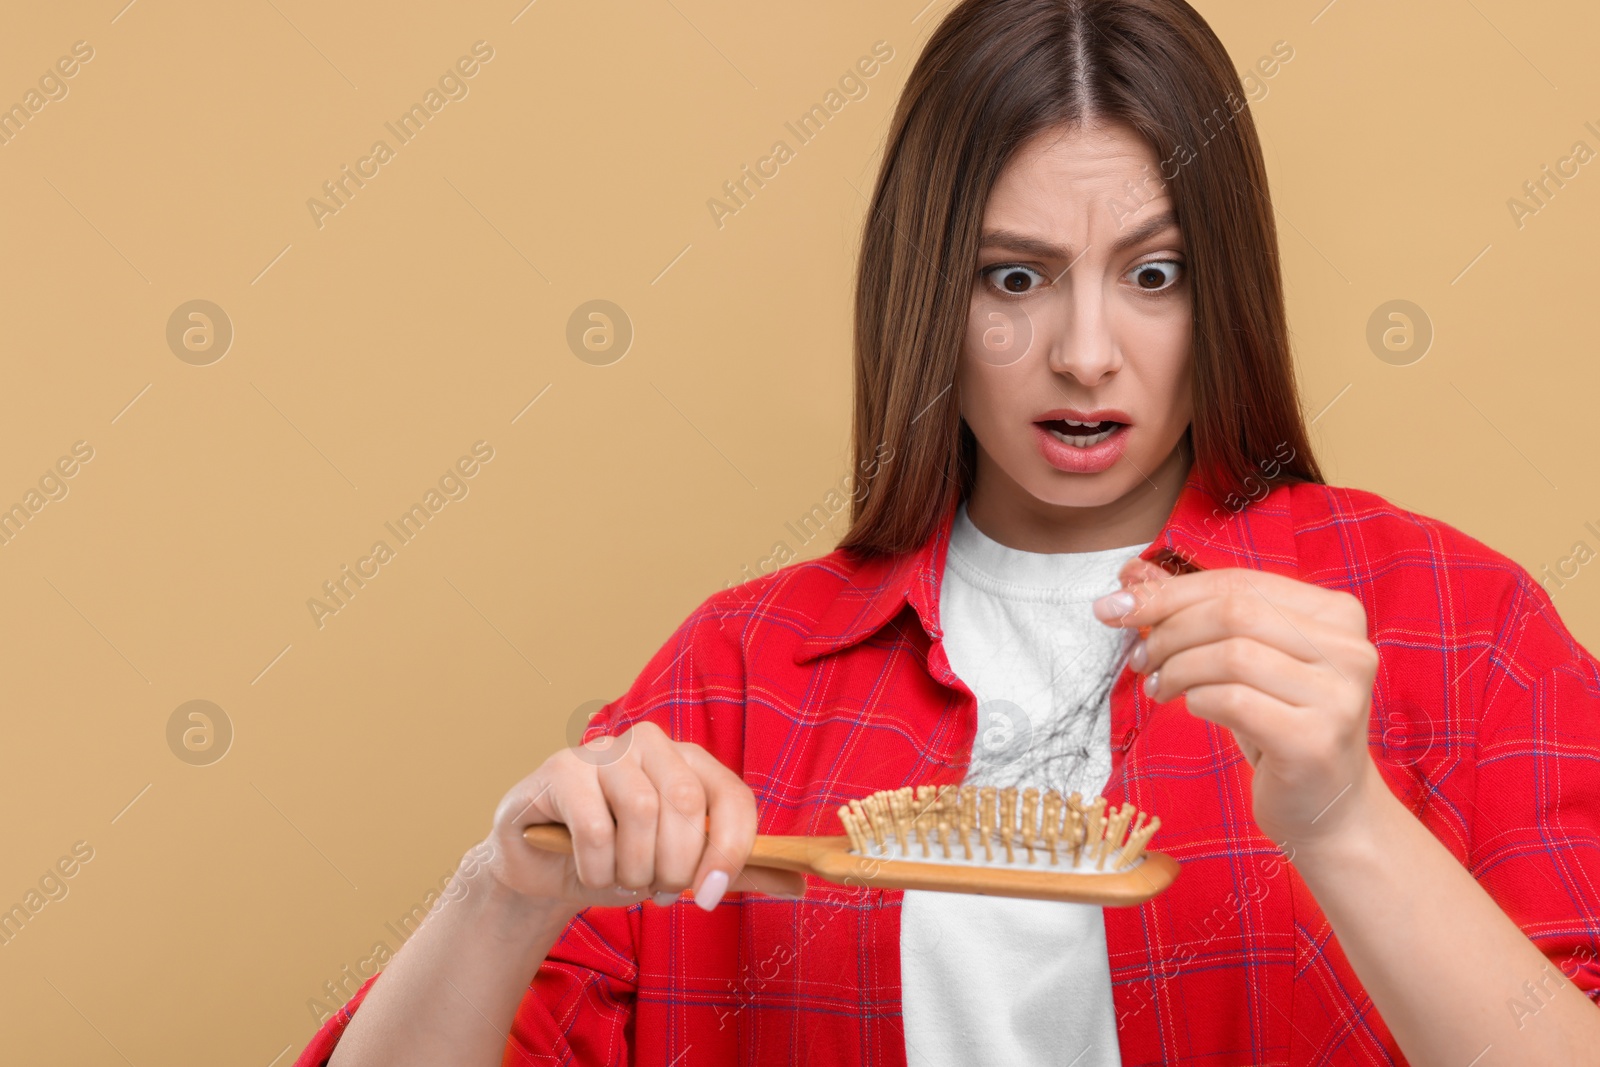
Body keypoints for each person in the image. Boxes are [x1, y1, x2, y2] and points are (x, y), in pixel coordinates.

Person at [296, 0, 1600, 1063]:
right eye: (1013, 277)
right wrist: (501, 892)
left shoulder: (1444, 617)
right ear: (929, 290)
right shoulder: (741, 675)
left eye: (1154, 275)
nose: (1085, 355)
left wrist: (1345, 819)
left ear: (1228, 287)